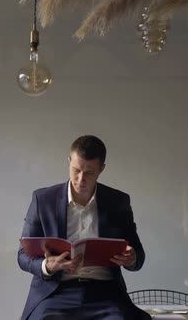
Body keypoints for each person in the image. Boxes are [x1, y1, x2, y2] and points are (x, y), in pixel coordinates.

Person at [18, 135, 151, 320]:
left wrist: (132, 258)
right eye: (76, 170)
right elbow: (22, 256)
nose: (81, 179)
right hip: (56, 292)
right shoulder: (43, 200)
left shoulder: (118, 202)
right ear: (69, 161)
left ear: (101, 169)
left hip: (106, 293)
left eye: (89, 173)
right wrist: (46, 266)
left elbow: (139, 256)